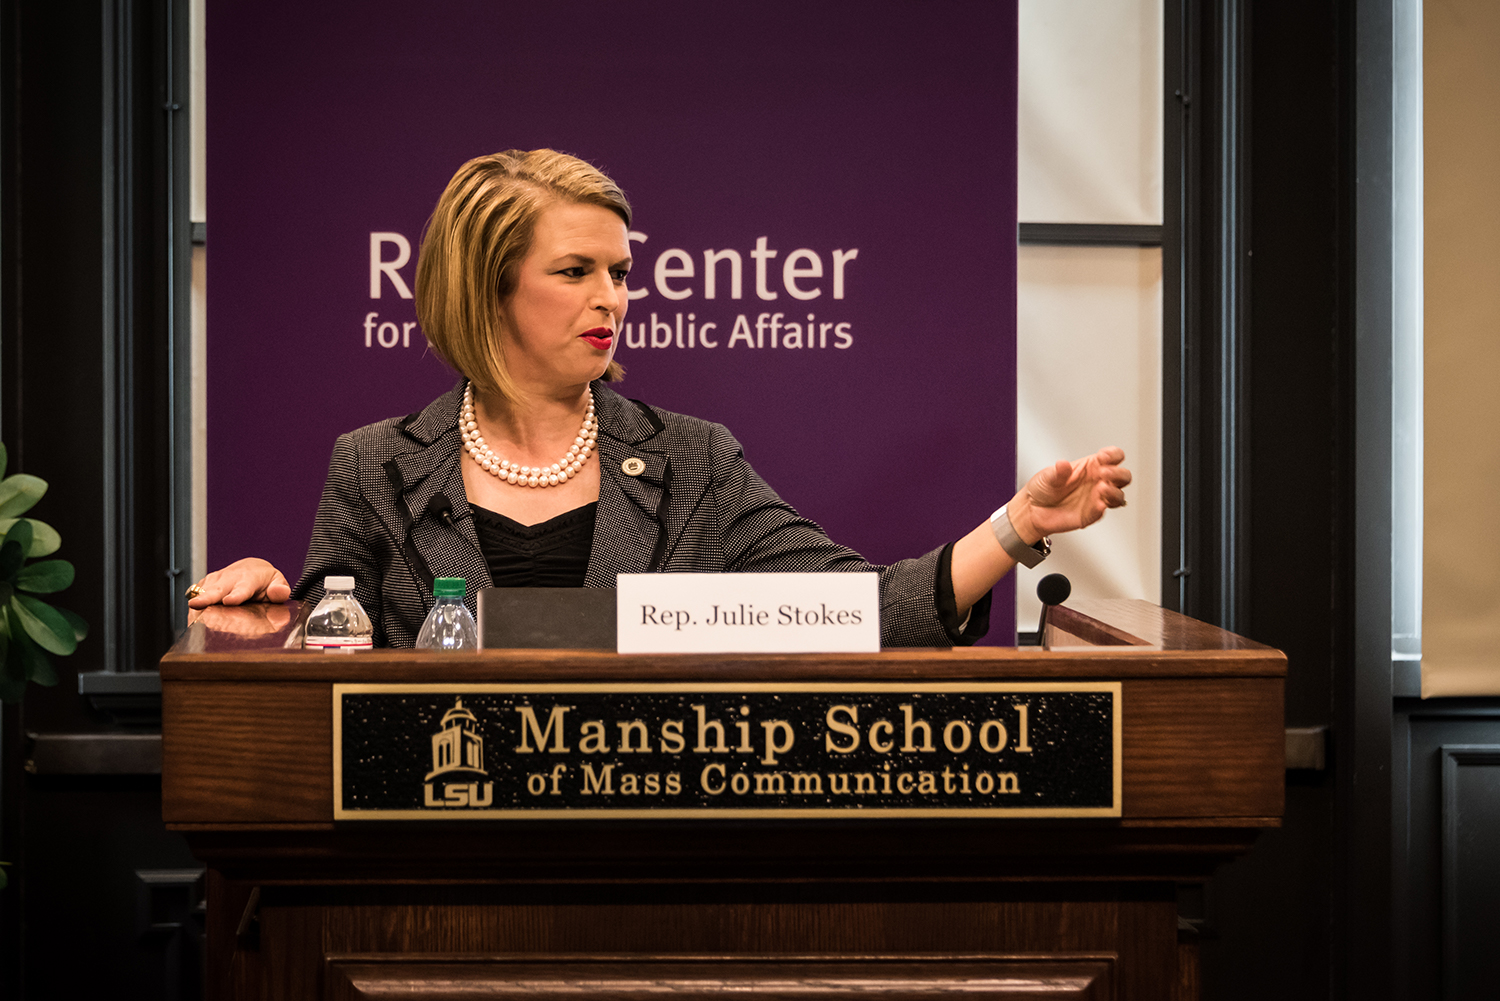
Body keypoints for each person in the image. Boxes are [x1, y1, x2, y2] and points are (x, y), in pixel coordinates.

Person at [186, 149, 1131, 647]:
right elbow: (324, 657)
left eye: (621, 270)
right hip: (439, 863)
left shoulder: (693, 459)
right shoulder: (373, 465)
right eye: (575, 270)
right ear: (487, 286)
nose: (613, 296)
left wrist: (1014, 526)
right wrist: (270, 607)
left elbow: (862, 608)